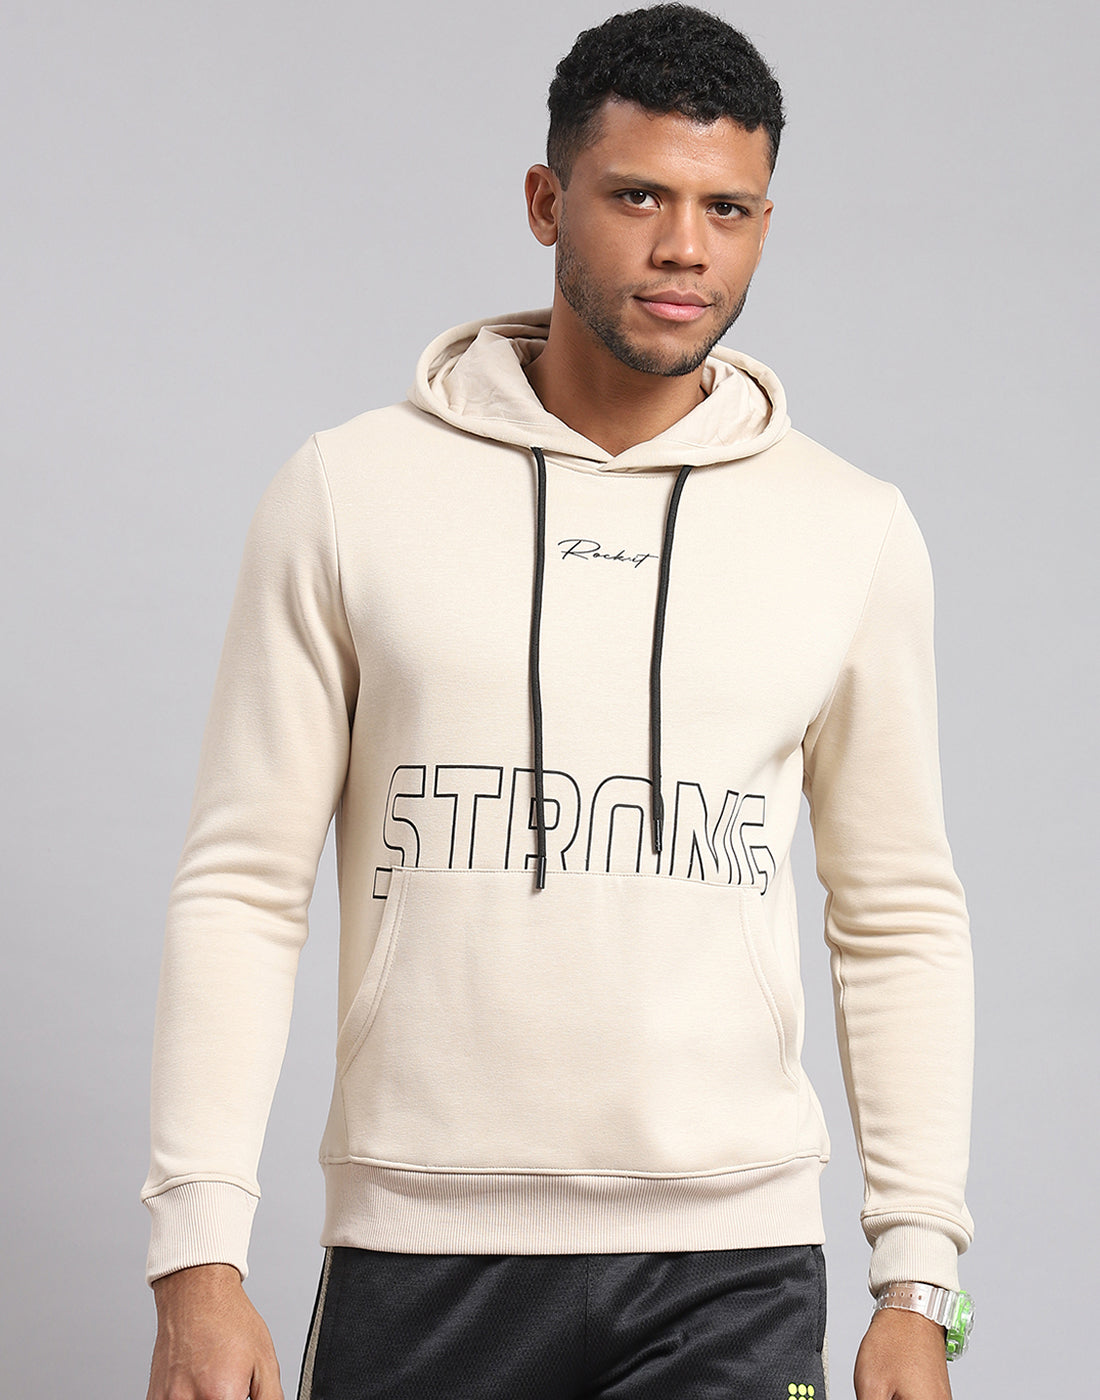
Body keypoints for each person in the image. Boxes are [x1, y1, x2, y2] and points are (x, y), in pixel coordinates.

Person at [142, 6, 974, 1398]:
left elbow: (899, 915)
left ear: (766, 223)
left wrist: (920, 1282)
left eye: (727, 209)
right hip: (423, 1252)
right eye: (638, 196)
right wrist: (196, 1258)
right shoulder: (349, 492)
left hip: (736, 1263)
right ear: (546, 201)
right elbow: (242, 886)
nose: (684, 248)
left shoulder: (852, 530)